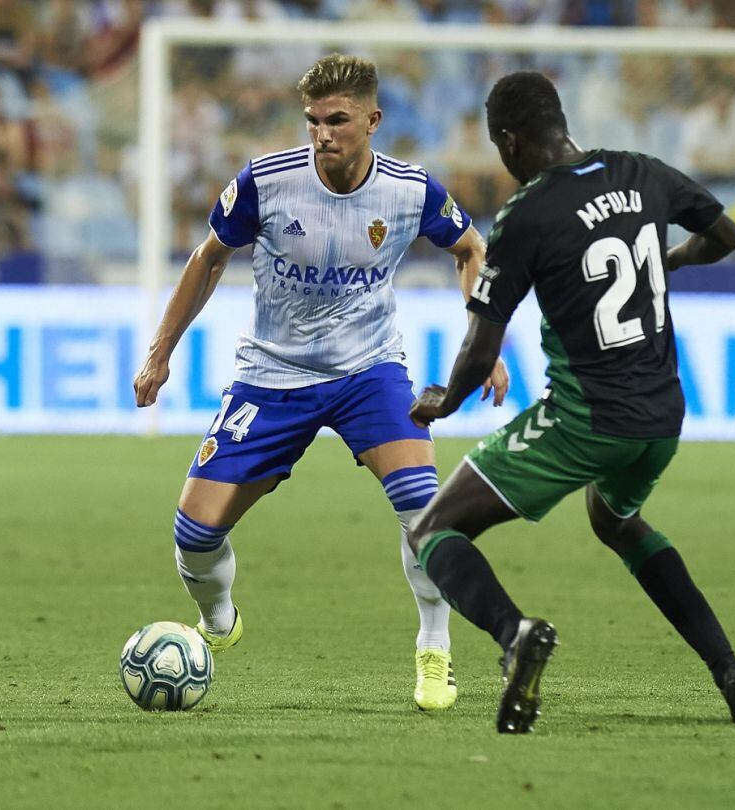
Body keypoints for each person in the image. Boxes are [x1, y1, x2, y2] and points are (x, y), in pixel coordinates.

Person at [133, 54, 509, 711]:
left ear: (372, 120)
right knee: (194, 535)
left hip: (370, 371)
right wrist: (161, 352)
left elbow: (471, 249)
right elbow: (208, 258)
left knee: (424, 510)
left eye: (337, 120)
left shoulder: (410, 190)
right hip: (273, 376)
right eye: (312, 121)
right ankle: (218, 617)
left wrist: (487, 341)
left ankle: (434, 648)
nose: (322, 134)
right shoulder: (266, 181)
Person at [407, 71, 735, 733]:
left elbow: (481, 348)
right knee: (617, 521)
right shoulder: (639, 170)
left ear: (511, 142)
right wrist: (679, 260)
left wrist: (445, 401)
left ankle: (514, 634)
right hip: (663, 417)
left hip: (585, 420)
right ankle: (732, 673)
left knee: (433, 528)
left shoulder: (527, 214)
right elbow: (727, 236)